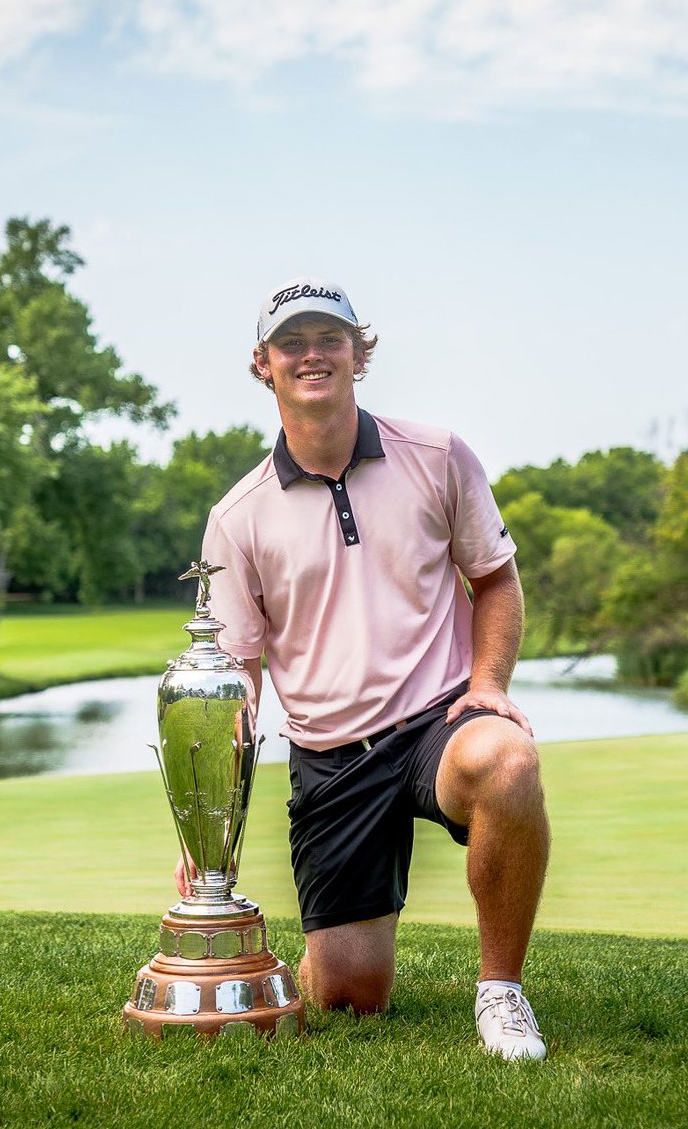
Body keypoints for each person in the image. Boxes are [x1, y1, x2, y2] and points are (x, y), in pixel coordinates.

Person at [178, 276, 551, 1061]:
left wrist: (489, 687)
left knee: (508, 761)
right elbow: (238, 682)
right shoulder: (236, 516)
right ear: (264, 364)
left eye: (330, 339)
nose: (312, 355)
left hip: (439, 723)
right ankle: (327, 952)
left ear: (358, 352)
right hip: (331, 757)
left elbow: (495, 578)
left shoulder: (438, 456)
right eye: (293, 343)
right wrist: (211, 832)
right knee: (352, 999)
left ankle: (502, 993)